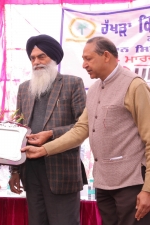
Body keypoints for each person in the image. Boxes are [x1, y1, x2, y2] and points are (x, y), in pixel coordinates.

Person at [22, 36, 150, 225]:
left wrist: (147, 189)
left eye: (88, 59)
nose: (84, 65)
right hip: (103, 183)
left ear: (106, 56)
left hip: (132, 183)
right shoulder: (96, 88)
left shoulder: (134, 85)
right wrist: (43, 150)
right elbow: (81, 129)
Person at [9, 34, 87, 225]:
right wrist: (15, 171)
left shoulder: (72, 83)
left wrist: (51, 134)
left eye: (41, 56)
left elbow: (83, 126)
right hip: (31, 171)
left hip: (61, 171)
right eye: (33, 58)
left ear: (53, 58)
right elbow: (18, 130)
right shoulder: (24, 89)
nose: (36, 62)